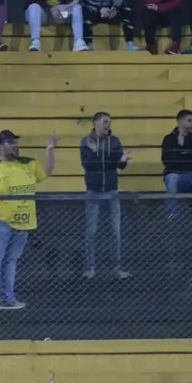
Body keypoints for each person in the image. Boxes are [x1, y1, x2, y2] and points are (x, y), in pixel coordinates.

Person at [0, 130, 58, 310]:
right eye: (11, 142)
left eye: (16, 142)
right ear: (0, 146)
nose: (15, 146)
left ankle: (7, 298)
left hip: (23, 223)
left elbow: (48, 171)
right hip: (0, 222)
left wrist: (50, 149)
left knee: (10, 261)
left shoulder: (27, 164)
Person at [80, 112, 132, 279]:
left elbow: (119, 165)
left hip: (111, 189)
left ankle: (116, 268)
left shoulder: (115, 141)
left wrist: (124, 160)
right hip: (94, 190)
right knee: (91, 231)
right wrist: (96, 152)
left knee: (115, 231)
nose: (108, 124)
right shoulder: (85, 141)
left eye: (109, 121)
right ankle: (90, 267)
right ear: (95, 123)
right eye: (105, 122)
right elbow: (87, 165)